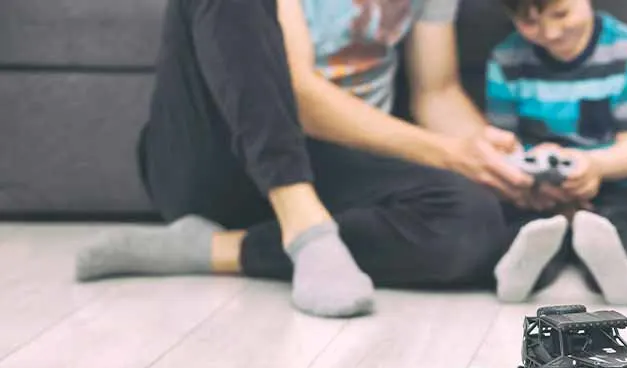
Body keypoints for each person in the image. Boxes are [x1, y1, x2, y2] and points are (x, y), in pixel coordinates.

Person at [73, 0, 565, 317]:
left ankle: (217, 248)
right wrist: (447, 153)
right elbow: (297, 95)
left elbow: (436, 93)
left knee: (472, 216)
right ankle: (303, 228)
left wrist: (492, 157)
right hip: (218, 157)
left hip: (336, 168)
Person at [484, 0, 627, 305]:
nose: (551, 33)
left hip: (614, 184)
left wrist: (594, 166)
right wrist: (534, 169)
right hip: (537, 191)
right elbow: (503, 145)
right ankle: (518, 273)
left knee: (626, 221)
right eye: (531, 22)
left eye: (561, 14)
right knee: (517, 226)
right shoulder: (505, 60)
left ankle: (624, 271)